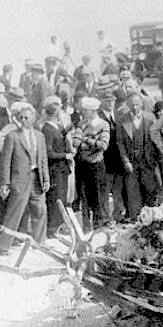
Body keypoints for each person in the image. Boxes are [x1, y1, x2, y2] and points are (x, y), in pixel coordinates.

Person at [0, 105, 49, 255]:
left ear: (34, 118)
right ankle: (3, 247)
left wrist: (46, 179)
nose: (23, 120)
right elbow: (5, 162)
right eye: (21, 118)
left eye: (26, 117)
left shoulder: (40, 136)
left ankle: (40, 244)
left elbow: (43, 159)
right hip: (19, 180)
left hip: (37, 179)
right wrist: (5, 183)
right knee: (14, 213)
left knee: (40, 210)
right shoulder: (13, 136)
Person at [117, 93, 159, 218]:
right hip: (131, 161)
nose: (135, 107)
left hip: (147, 160)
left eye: (137, 104)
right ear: (128, 105)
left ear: (141, 104)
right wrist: (126, 161)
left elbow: (156, 139)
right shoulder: (122, 120)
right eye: (132, 105)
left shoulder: (150, 118)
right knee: (132, 191)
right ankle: (135, 218)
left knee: (150, 188)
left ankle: (151, 218)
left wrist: (155, 159)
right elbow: (120, 143)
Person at [72, 97, 110, 231]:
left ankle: (98, 226)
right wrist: (93, 141)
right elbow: (75, 143)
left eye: (85, 111)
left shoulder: (103, 124)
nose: (83, 113)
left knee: (98, 197)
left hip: (96, 166)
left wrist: (86, 139)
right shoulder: (81, 124)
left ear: (93, 111)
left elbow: (104, 145)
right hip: (83, 166)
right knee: (84, 197)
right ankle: (86, 227)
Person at [41, 96, 73, 236]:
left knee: (61, 198)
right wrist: (65, 156)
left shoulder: (56, 127)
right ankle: (52, 228)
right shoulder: (47, 129)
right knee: (56, 199)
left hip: (61, 169)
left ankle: (58, 226)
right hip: (55, 170)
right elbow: (48, 153)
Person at [97, 92, 125, 223]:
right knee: (104, 190)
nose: (110, 103)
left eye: (112, 101)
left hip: (118, 161)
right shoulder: (98, 117)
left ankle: (118, 215)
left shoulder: (118, 116)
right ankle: (105, 218)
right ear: (102, 101)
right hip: (105, 160)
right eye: (107, 101)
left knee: (117, 190)